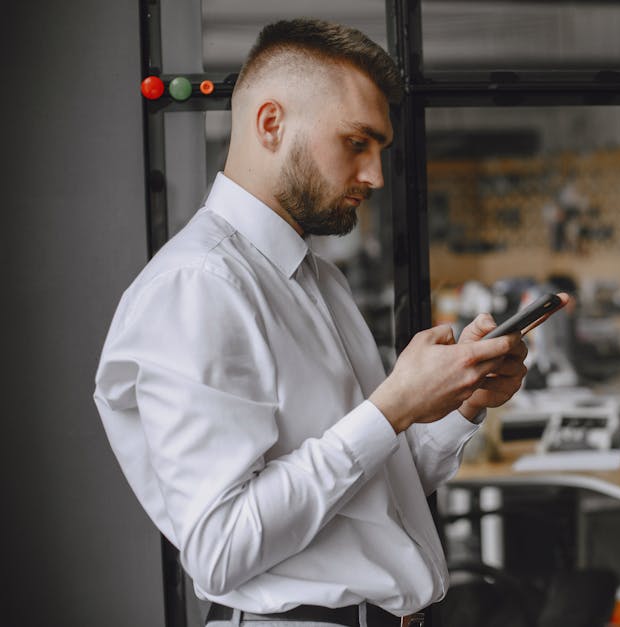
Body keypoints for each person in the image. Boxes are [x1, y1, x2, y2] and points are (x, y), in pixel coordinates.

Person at [94, 18, 566, 627]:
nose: (373, 175)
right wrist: (393, 405)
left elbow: (368, 492)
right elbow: (221, 549)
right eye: (356, 142)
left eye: (379, 151)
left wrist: (458, 404)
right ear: (271, 125)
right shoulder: (199, 286)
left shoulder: (320, 279)